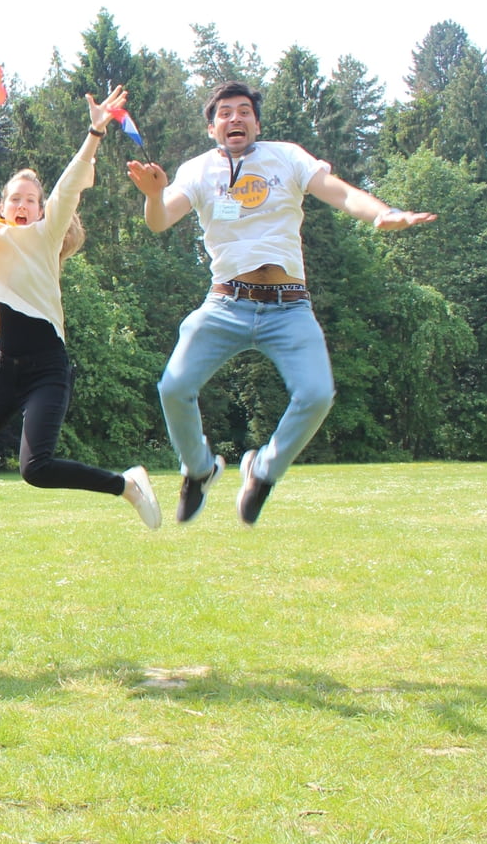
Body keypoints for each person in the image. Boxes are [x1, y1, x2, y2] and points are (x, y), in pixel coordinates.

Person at [127, 80, 435, 525]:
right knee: (173, 387)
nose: (236, 118)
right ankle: (199, 470)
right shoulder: (198, 170)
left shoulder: (286, 156)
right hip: (225, 303)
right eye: (226, 113)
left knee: (316, 394)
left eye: (244, 111)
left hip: (289, 307)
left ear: (256, 121)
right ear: (213, 127)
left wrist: (381, 213)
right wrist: (154, 196)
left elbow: (340, 191)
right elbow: (159, 221)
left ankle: (264, 471)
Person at [0, 89, 161, 529]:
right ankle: (125, 483)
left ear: (40, 209)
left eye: (30, 200)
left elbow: (69, 182)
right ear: (3, 206)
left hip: (48, 368)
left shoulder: (46, 236)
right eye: (15, 199)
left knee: (35, 468)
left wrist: (96, 130)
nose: (22, 205)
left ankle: (126, 485)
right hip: (5, 368)